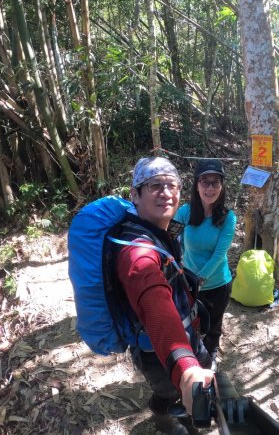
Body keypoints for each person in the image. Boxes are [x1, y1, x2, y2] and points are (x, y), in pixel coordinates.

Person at [107, 157, 214, 425]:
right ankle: (161, 416)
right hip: (158, 351)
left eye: (172, 185)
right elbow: (155, 303)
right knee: (167, 392)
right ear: (135, 194)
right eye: (155, 185)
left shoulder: (158, 230)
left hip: (189, 335)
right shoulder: (137, 252)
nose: (166, 193)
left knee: (201, 372)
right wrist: (186, 373)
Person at [174, 159, 237, 369]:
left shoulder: (228, 218)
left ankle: (211, 358)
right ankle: (192, 358)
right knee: (191, 324)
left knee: (213, 326)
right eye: (205, 181)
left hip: (217, 283)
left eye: (215, 182)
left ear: (222, 186)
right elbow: (168, 236)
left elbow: (219, 255)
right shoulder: (185, 212)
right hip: (188, 282)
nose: (210, 187)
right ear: (196, 184)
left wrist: (198, 279)